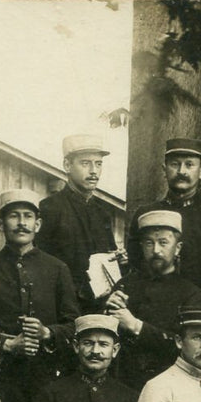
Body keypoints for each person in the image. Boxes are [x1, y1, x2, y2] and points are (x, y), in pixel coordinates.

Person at [0, 188, 80, 382]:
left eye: (28, 216)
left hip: (45, 377)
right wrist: (7, 344)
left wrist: (46, 332)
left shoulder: (57, 269)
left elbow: (73, 324)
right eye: (14, 216)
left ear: (37, 225)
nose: (22, 223)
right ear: (0, 224)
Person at [104, 209, 201, 392]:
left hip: (170, 388)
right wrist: (107, 313)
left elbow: (187, 348)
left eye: (163, 243)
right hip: (124, 385)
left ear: (178, 248)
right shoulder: (125, 285)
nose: (156, 250)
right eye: (149, 243)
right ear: (142, 246)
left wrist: (136, 326)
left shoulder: (191, 294)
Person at [127, 139, 201, 289]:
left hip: (196, 303)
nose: (181, 171)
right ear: (164, 170)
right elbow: (136, 262)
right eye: (175, 164)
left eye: (189, 165)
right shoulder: (145, 214)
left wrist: (192, 298)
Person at [36, 133, 120, 310]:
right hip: (63, 308)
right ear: (67, 165)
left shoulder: (102, 213)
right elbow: (41, 266)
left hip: (100, 308)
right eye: (85, 163)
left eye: (98, 164)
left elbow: (107, 260)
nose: (93, 171)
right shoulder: (50, 208)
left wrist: (119, 260)